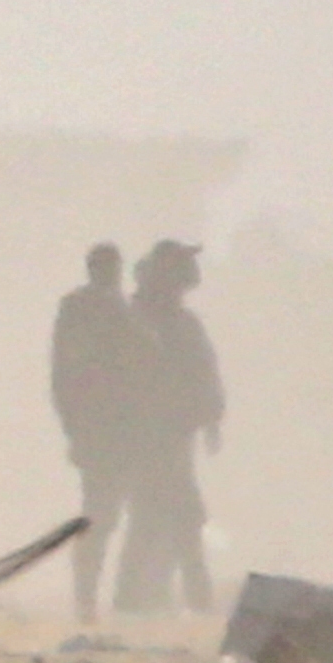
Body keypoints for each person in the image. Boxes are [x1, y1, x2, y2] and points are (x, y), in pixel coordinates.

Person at [114, 237, 226, 623]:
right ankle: (168, 601)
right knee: (171, 517)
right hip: (148, 437)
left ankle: (148, 599)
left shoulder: (178, 321)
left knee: (166, 518)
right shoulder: (137, 322)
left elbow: (204, 371)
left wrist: (210, 418)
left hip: (175, 435)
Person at [49, 242, 140, 623]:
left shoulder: (115, 308)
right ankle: (89, 600)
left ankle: (110, 600)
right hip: (105, 431)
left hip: (119, 429)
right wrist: (77, 426)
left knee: (114, 517)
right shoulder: (91, 309)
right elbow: (67, 374)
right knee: (101, 517)